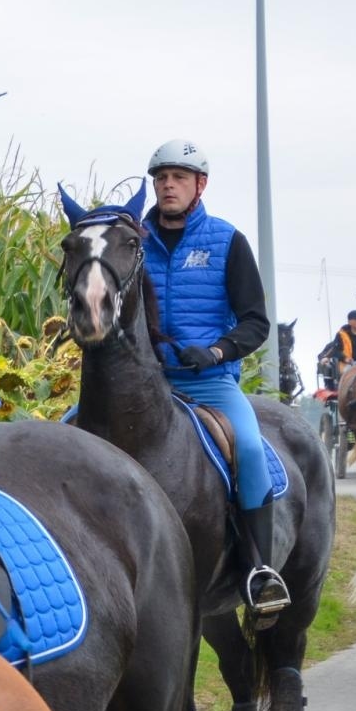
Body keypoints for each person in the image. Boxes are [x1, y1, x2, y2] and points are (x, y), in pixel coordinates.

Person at [142, 139, 289, 611]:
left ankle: (260, 569)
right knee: (68, 430)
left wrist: (217, 350)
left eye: (179, 177)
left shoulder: (227, 240)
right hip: (145, 385)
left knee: (247, 447)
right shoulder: (133, 241)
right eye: (161, 178)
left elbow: (255, 322)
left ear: (199, 185)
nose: (168, 185)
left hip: (208, 383)